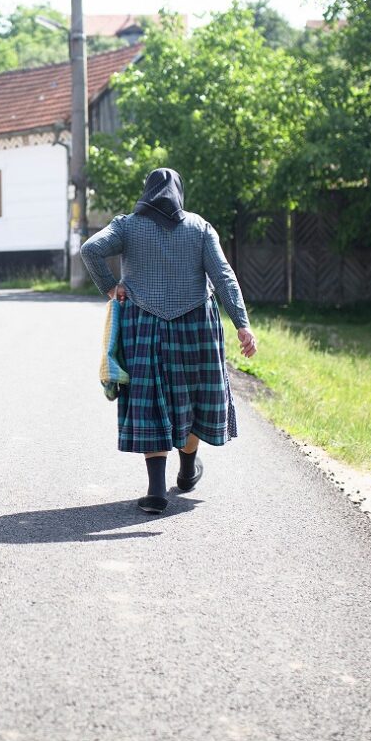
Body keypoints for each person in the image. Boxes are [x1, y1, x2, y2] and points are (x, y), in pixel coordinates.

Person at [80, 168, 257, 514]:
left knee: (151, 400)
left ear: (146, 192)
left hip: (144, 326)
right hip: (196, 328)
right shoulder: (199, 227)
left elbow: (90, 249)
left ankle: (156, 491)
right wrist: (242, 324)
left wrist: (111, 287)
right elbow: (224, 277)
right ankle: (188, 471)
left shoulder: (126, 226)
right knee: (191, 398)